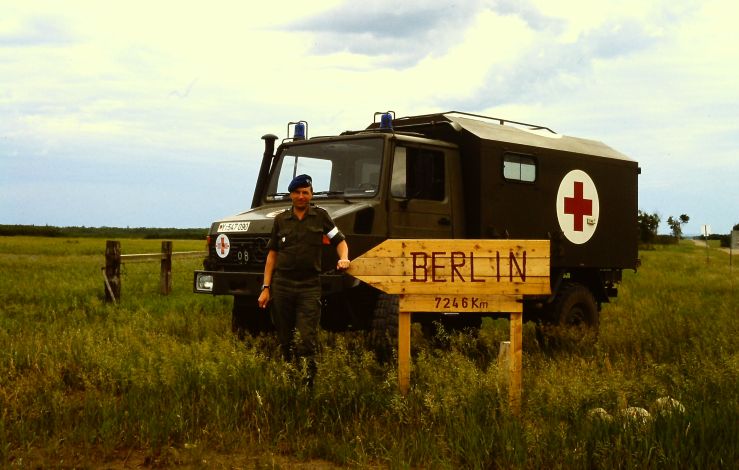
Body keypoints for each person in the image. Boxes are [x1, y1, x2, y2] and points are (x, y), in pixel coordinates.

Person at [258, 174, 350, 385]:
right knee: (285, 338)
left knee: (306, 338)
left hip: (309, 286)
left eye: (305, 193)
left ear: (311, 194)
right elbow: (272, 255)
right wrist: (266, 287)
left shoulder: (321, 216)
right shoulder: (281, 220)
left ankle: (308, 383)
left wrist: (344, 258)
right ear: (291, 195)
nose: (301, 196)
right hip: (283, 286)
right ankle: (290, 381)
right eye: (298, 193)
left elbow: (340, 241)